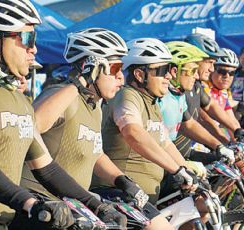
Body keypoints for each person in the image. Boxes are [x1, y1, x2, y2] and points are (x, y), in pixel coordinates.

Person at [0, 1, 126, 229]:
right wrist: (31, 203)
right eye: (27, 39)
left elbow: (46, 169)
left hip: (4, 220)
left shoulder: (19, 99)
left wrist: (98, 207)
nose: (35, 49)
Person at [20, 31, 169, 230]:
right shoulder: (62, 94)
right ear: (89, 67)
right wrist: (80, 81)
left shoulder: (95, 107)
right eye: (114, 68)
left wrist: (123, 181)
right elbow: (33, 125)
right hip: (40, 206)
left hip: (73, 205)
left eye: (122, 70)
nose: (120, 78)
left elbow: (95, 153)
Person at [90, 37, 198, 213]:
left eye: (169, 69)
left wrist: (186, 171)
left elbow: (165, 143)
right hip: (117, 194)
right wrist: (176, 169)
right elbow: (133, 132)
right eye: (162, 70)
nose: (169, 76)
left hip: (141, 199)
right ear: (140, 75)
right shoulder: (128, 95)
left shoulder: (153, 103)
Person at [173, 33, 244, 160]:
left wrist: (238, 130)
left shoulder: (196, 85)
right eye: (210, 63)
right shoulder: (179, 89)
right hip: (176, 157)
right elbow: (199, 121)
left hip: (185, 153)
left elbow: (211, 105)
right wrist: (221, 145)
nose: (212, 69)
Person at [202, 48, 242, 140]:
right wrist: (225, 143)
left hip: (213, 141)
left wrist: (243, 142)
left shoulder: (224, 92)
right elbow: (206, 120)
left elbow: (232, 122)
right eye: (222, 71)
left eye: (231, 73)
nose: (227, 76)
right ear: (212, 70)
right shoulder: (203, 88)